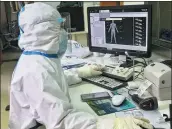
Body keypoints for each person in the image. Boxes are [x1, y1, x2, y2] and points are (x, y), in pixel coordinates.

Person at [9, 3, 153, 129]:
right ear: (45, 31)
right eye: (59, 27)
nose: (64, 33)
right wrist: (108, 124)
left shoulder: (39, 58)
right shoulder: (35, 70)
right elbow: (60, 122)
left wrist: (81, 73)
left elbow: (53, 82)